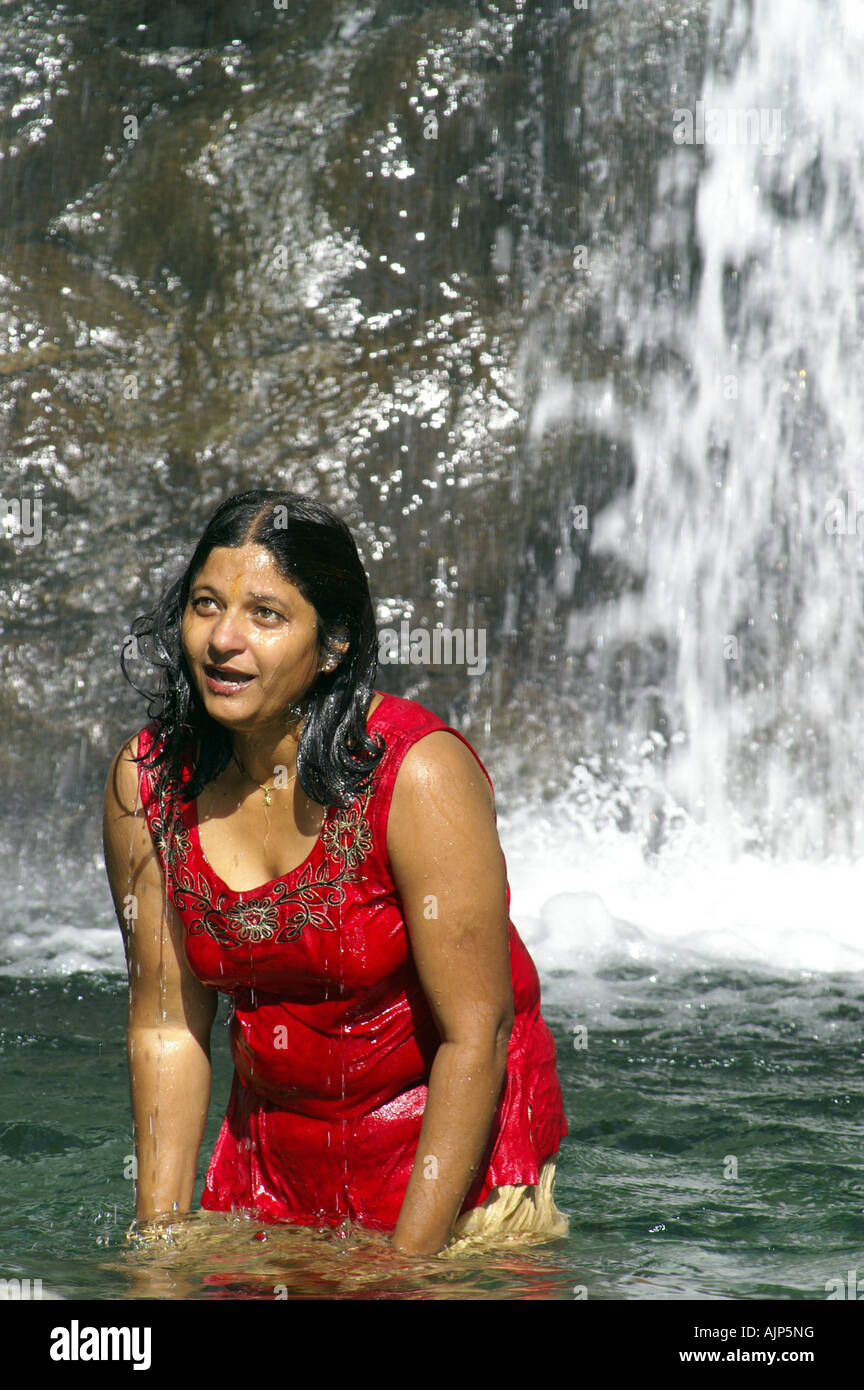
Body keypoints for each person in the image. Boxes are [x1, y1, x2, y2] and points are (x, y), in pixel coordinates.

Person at [103, 489, 568, 1257]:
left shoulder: (417, 776)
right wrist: (159, 1243)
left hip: (455, 1175)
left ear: (334, 643)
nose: (223, 638)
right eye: (206, 604)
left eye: (266, 615)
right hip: (270, 1169)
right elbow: (165, 1025)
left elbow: (476, 1035)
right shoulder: (148, 782)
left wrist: (408, 1267)